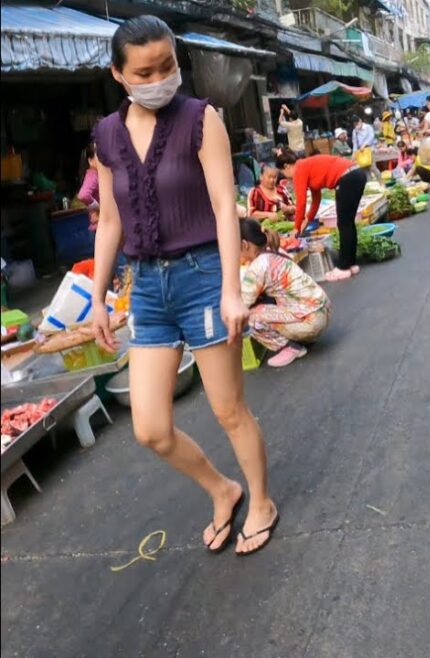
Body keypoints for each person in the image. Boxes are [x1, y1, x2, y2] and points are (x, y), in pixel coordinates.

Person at [89, 16, 278, 556]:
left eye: (167, 65)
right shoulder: (106, 135)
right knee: (150, 427)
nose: (160, 78)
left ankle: (260, 501)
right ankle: (223, 489)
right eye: (144, 71)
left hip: (200, 278)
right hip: (146, 287)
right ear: (119, 75)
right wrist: (101, 297)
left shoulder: (201, 118)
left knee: (228, 409)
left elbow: (225, 206)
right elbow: (109, 221)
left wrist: (231, 288)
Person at [238, 219, 330, 367]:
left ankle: (290, 348)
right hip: (323, 310)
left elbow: (242, 303)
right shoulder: (275, 252)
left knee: (249, 317)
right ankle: (302, 338)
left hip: (311, 321)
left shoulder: (257, 267)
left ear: (244, 245)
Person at [276, 152, 366, 281]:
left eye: (283, 173)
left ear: (286, 166)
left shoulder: (299, 170)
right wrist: (307, 220)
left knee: (344, 224)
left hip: (346, 179)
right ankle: (350, 263)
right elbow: (316, 199)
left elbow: (300, 203)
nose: (287, 177)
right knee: (348, 223)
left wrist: (296, 228)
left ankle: (343, 267)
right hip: (357, 174)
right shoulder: (306, 165)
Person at [78, 143, 101, 230]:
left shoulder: (98, 174)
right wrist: (98, 207)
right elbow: (83, 195)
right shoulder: (92, 175)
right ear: (90, 161)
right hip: (100, 225)